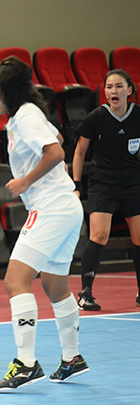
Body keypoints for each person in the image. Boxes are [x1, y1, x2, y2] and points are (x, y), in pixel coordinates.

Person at [0, 56, 89, 391]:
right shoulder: (25, 116)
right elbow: (54, 134)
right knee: (55, 285)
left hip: (51, 206)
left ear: (10, 90)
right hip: (66, 206)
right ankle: (72, 358)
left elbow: (56, 152)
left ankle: (26, 364)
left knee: (15, 281)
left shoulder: (26, 115)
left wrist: (26, 181)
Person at [72, 69, 140, 311]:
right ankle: (85, 292)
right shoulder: (96, 117)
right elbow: (79, 153)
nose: (114, 91)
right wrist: (77, 185)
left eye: (119, 86)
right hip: (103, 182)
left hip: (133, 182)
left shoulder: (138, 115)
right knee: (99, 235)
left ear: (129, 90)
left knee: (139, 237)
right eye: (109, 87)